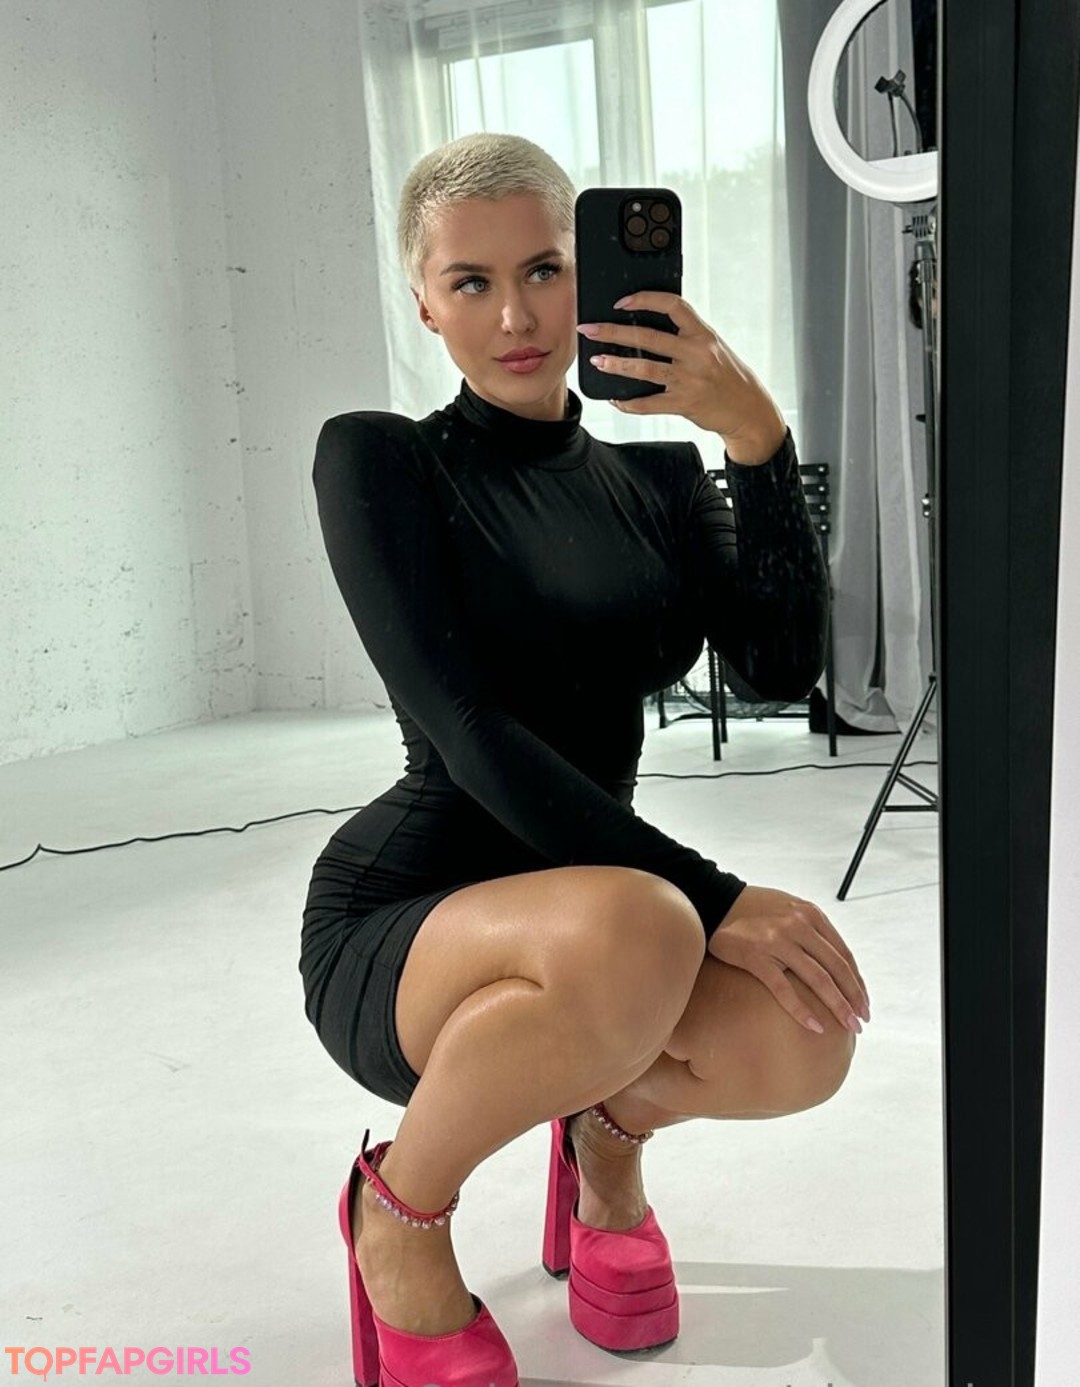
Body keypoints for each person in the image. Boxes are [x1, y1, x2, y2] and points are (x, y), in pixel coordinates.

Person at [298, 131, 871, 1386]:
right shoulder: (380, 460)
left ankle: (604, 1141)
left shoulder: (659, 481)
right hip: (406, 922)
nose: (515, 316)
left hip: (609, 929)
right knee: (648, 921)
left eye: (545, 270)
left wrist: (758, 442)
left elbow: (779, 670)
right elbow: (468, 730)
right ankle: (397, 1215)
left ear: (587, 275)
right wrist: (717, 900)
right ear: (423, 301)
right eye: (470, 281)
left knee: (804, 1027)